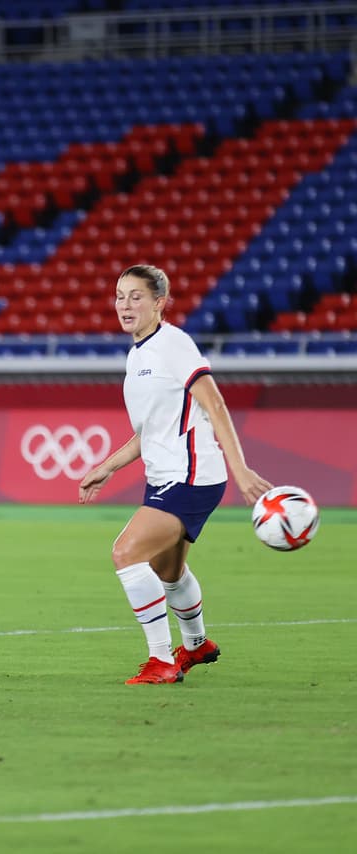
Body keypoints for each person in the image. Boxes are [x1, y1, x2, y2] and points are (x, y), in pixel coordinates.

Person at [78, 264, 272, 685]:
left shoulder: (173, 345)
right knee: (169, 572)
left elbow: (215, 404)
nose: (125, 305)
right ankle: (197, 643)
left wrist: (241, 471)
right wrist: (106, 467)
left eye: (136, 296)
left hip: (191, 475)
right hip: (168, 475)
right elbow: (148, 432)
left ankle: (161, 660)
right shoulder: (138, 355)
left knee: (125, 553)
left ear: (159, 303)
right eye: (119, 295)